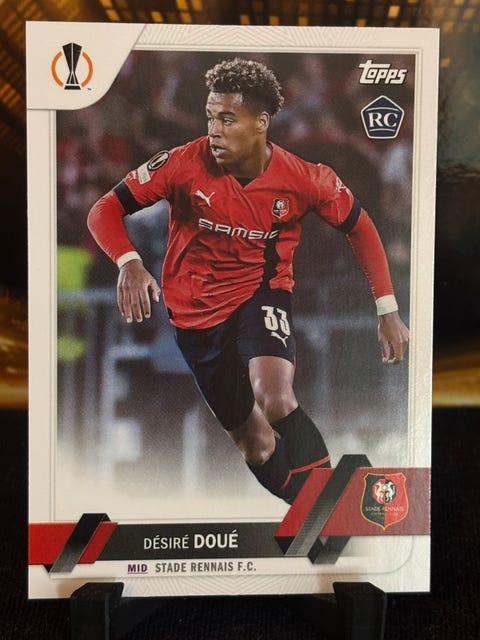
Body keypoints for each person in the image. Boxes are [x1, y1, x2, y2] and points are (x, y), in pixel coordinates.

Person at [87, 57, 409, 504]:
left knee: (274, 397)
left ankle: (330, 514)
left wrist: (387, 308)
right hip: (195, 316)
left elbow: (361, 227)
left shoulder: (304, 178)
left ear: (260, 122)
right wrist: (129, 261)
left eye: (227, 119)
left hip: (261, 294)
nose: (214, 131)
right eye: (210, 118)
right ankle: (314, 513)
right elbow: (104, 209)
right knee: (256, 444)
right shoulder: (182, 163)